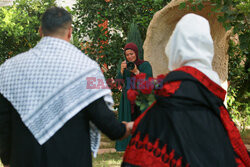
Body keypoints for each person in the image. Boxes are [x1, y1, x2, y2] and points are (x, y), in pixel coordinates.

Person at [0, 7, 133, 167]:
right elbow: (106, 122)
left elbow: (3, 122)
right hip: (72, 160)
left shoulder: (10, 68)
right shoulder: (87, 68)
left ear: (40, 30)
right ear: (70, 32)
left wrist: (7, 159)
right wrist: (130, 127)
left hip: (25, 159)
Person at [122, 14, 250, 167]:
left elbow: (155, 124)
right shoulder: (215, 102)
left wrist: (131, 126)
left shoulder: (169, 93)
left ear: (175, 48)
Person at [115, 42, 153, 151]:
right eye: (127, 55)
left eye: (131, 54)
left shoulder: (145, 65)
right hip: (128, 100)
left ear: (136, 53)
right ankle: (127, 145)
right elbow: (118, 85)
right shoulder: (125, 67)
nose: (130, 57)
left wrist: (136, 71)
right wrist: (121, 71)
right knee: (128, 121)